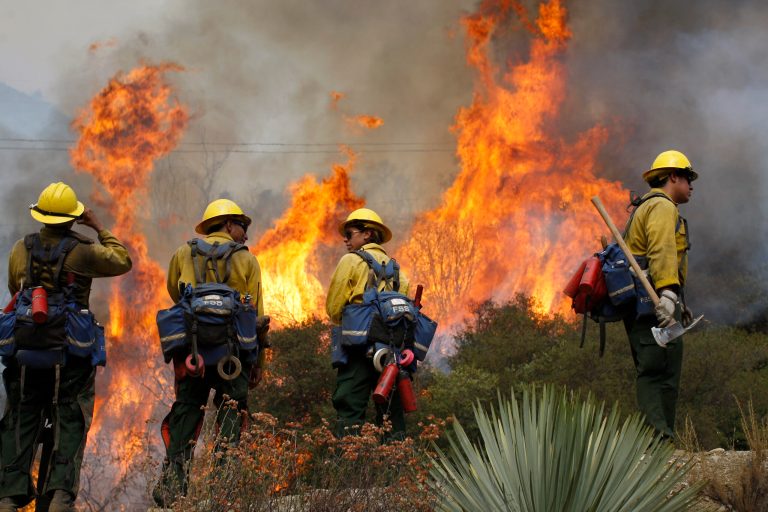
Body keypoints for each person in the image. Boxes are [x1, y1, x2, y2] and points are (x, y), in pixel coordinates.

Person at [0, 182, 132, 512]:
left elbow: (14, 287)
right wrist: (99, 226)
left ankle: (7, 497)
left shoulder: (21, 248)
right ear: (73, 219)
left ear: (42, 215)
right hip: (71, 356)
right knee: (70, 422)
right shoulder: (83, 250)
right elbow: (122, 260)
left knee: (20, 420)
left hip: (26, 353)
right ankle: (59, 498)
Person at [153, 198, 268, 506]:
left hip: (193, 353)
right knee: (232, 413)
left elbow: (175, 292)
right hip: (234, 356)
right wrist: (258, 362)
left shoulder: (183, 253)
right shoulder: (247, 260)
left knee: (187, 411)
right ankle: (223, 490)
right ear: (228, 224)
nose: (245, 234)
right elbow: (256, 315)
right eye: (242, 227)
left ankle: (171, 490)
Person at [623, 150, 697, 439]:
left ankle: (662, 438)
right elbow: (661, 250)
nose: (691, 186)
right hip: (652, 304)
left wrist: (679, 299)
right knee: (658, 369)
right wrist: (667, 295)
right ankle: (659, 442)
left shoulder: (647, 206)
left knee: (659, 367)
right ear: (673, 177)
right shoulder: (662, 206)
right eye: (688, 178)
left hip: (647, 303)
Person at [326, 208, 410, 439]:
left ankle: (349, 469)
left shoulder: (350, 261)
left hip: (356, 354)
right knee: (392, 416)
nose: (345, 238)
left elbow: (334, 308)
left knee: (350, 412)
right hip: (390, 357)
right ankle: (394, 470)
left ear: (368, 234)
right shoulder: (399, 272)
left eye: (350, 233)